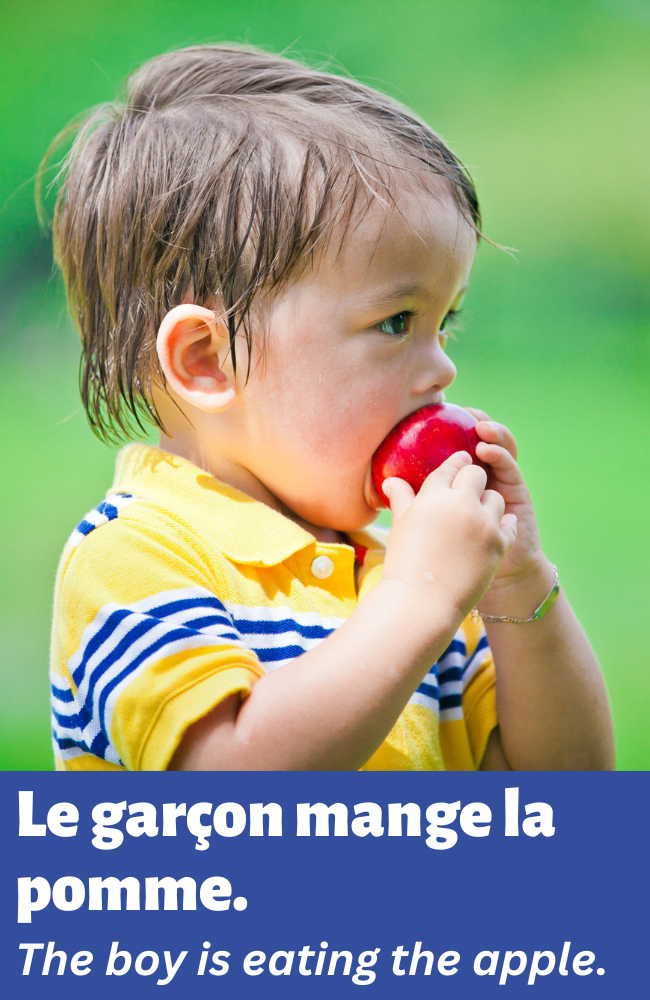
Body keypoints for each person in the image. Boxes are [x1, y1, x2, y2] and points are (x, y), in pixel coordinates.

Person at [47, 45, 614, 772]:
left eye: (446, 323)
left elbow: (570, 789)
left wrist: (518, 583)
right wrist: (419, 598)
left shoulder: (404, 572)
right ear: (207, 360)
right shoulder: (136, 556)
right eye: (395, 322)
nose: (442, 366)